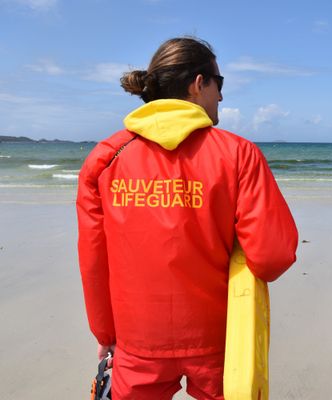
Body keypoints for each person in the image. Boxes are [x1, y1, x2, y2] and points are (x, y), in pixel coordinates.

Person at [77, 37, 298, 400]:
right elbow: (272, 257)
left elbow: (93, 259)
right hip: (218, 338)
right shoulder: (238, 154)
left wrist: (106, 335)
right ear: (199, 84)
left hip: (137, 338)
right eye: (218, 84)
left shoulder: (106, 157)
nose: (221, 98)